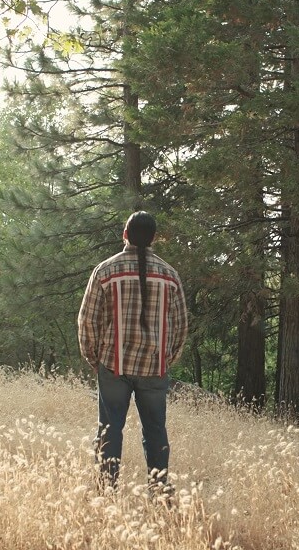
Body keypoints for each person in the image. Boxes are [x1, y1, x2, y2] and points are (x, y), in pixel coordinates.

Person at [78, 211, 188, 492]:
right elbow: (180, 326)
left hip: (113, 365)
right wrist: (165, 359)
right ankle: (159, 490)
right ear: (153, 238)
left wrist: (95, 359)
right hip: (154, 368)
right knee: (155, 430)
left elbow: (87, 320)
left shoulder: (105, 270)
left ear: (124, 234)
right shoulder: (170, 275)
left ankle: (106, 490)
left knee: (109, 429)